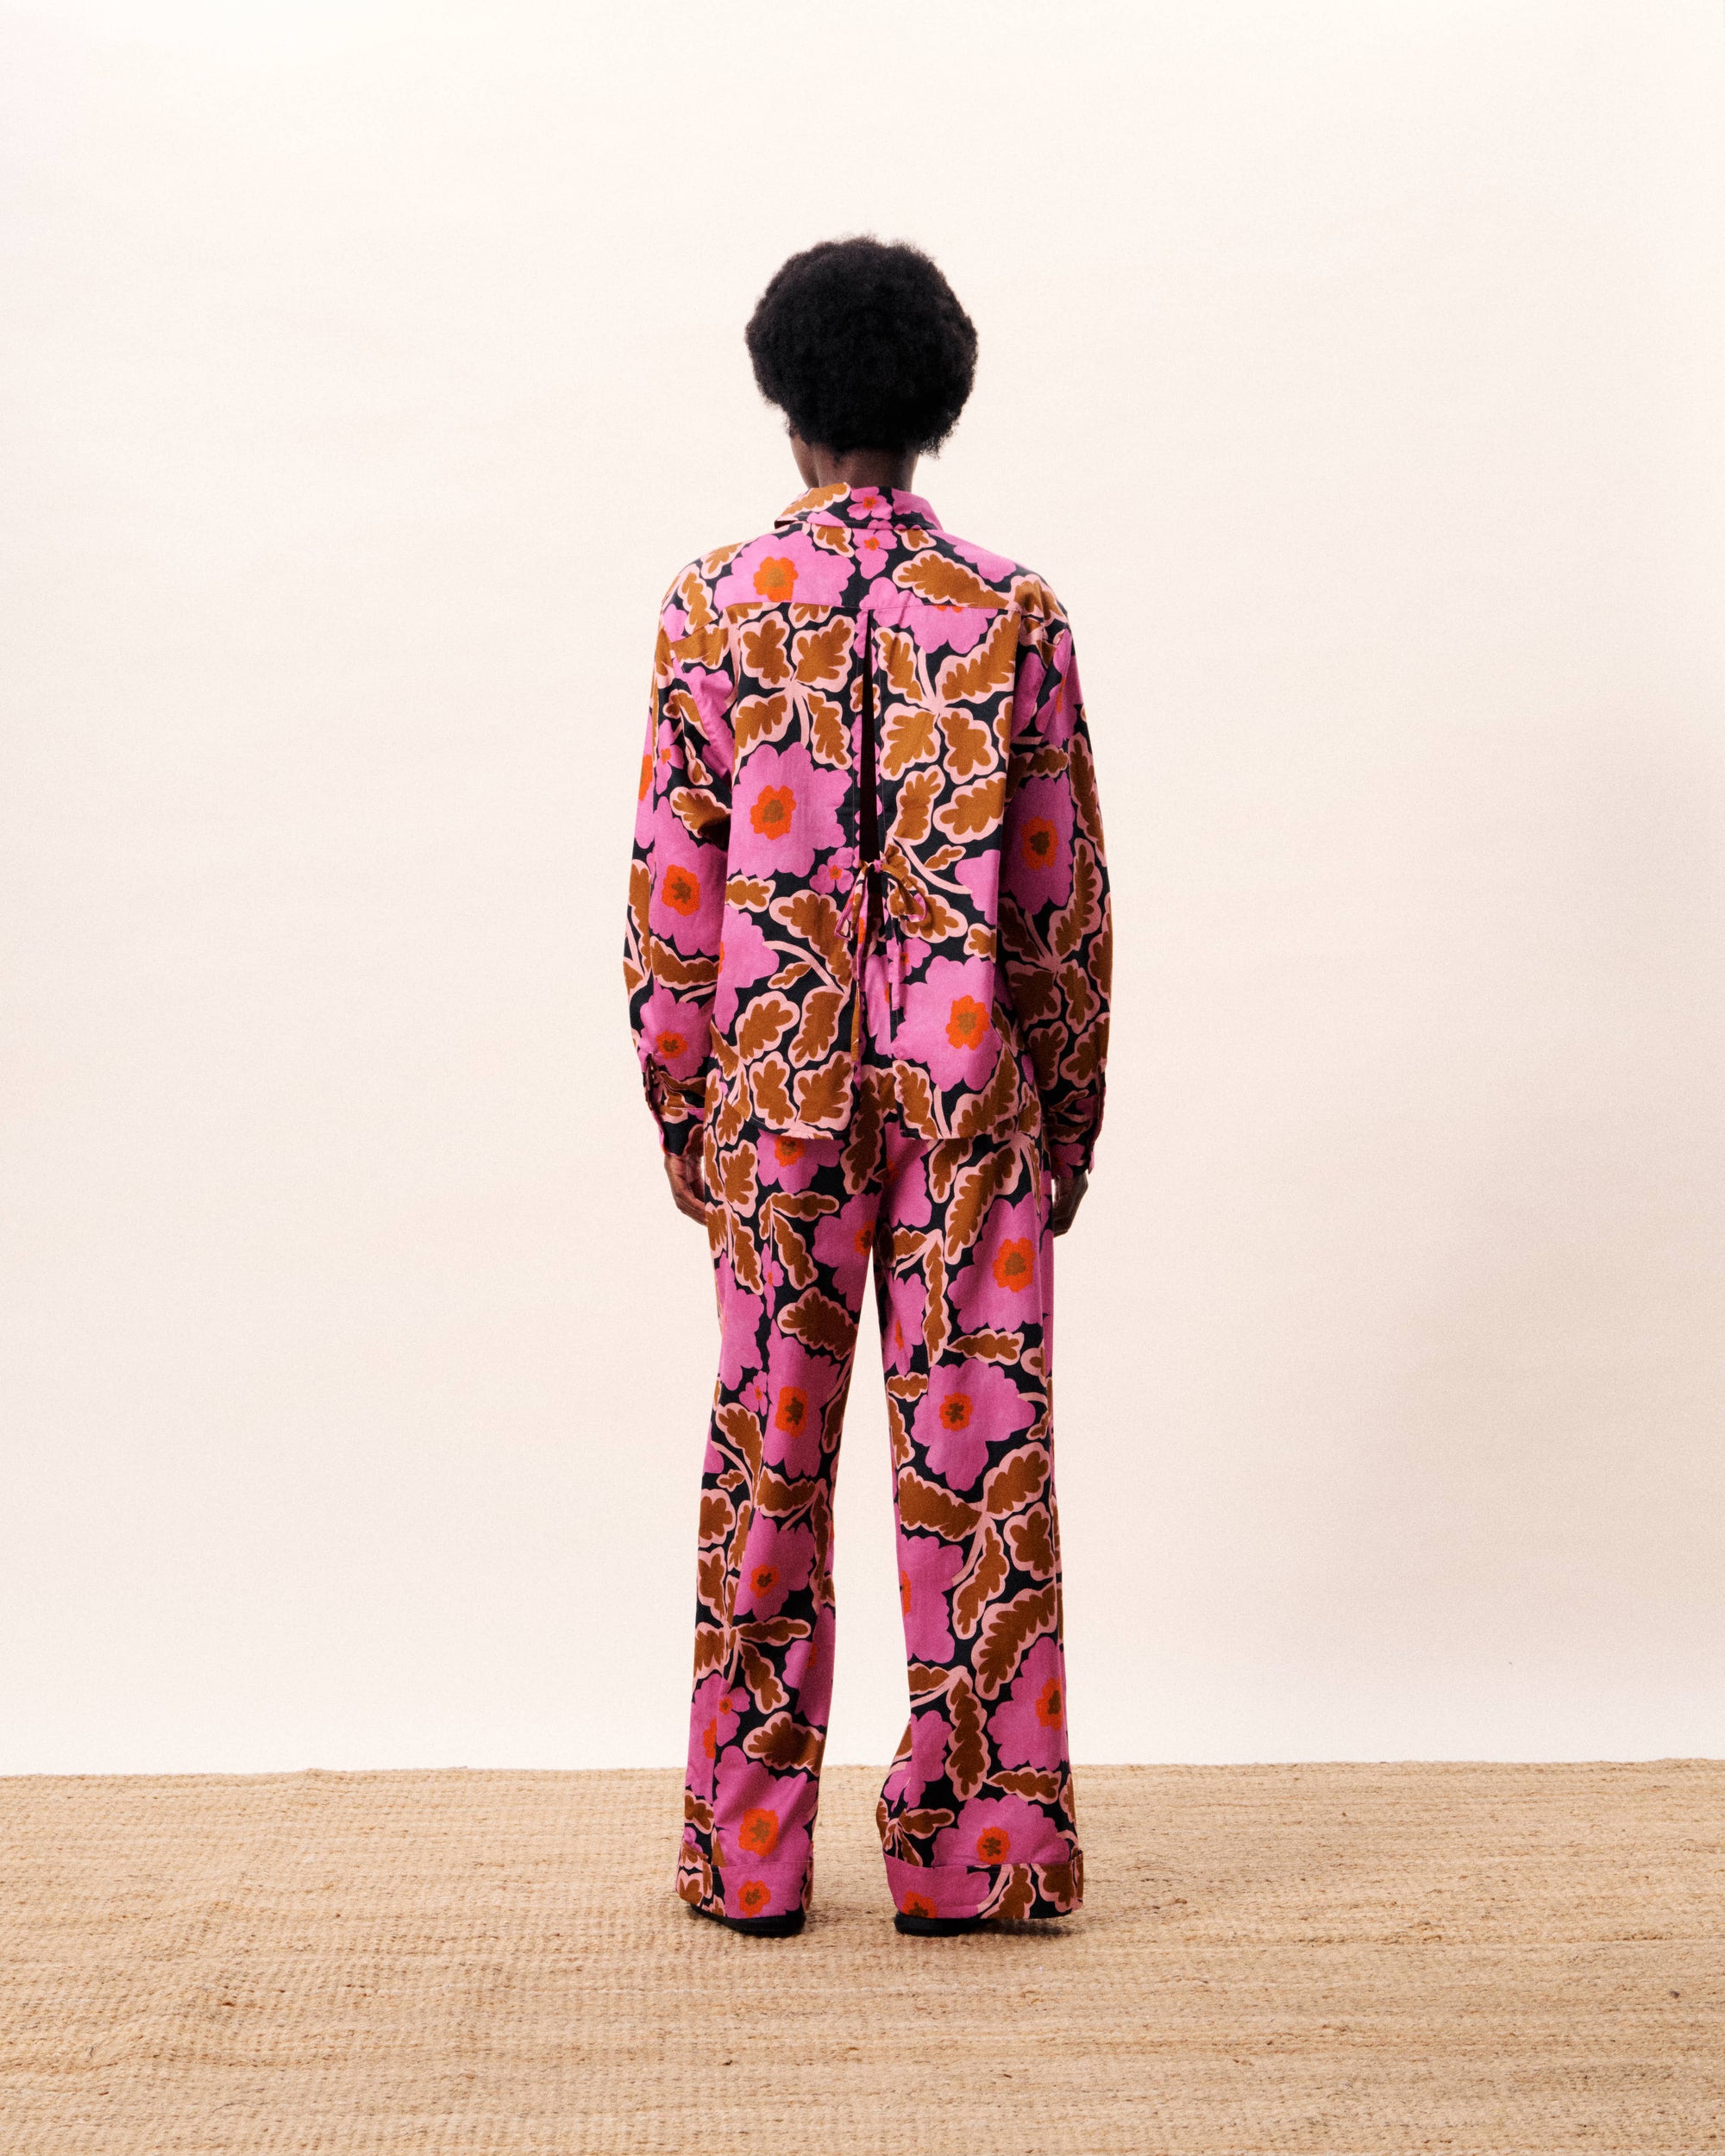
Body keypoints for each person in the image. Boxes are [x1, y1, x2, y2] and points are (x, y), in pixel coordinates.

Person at [624, 238, 1111, 1938]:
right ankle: (980, 1850)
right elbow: (1058, 901)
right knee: (981, 1480)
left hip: (777, 1103)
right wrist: (1067, 1116)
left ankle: (748, 1852)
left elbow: (673, 886)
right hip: (969, 1107)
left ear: (788, 404)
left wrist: (682, 1103)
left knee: (768, 1464)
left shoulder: (712, 607)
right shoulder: (1014, 615)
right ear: (936, 409)